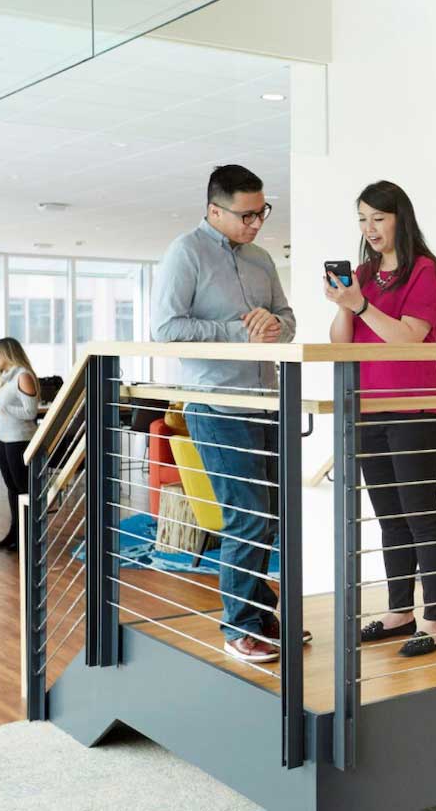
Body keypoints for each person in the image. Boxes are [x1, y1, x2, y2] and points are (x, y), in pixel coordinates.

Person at [152, 164, 298, 664]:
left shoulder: (260, 259)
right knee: (246, 517)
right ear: (214, 210)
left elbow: (289, 321)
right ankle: (239, 628)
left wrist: (274, 325)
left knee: (272, 518)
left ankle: (261, 615)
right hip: (216, 405)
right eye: (246, 215)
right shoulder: (185, 253)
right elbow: (166, 329)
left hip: (267, 404)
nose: (256, 224)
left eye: (262, 213)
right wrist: (240, 333)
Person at [323, 181, 436, 658]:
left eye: (378, 218)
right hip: (369, 410)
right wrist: (345, 305)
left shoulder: (425, 272)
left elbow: (408, 339)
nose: (369, 228)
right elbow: (342, 344)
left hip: (415, 411)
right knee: (390, 519)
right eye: (362, 219)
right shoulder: (363, 273)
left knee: (421, 516)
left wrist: (362, 305)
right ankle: (400, 612)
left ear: (400, 217)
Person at [0, 338, 40, 552]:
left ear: (6, 354)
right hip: (3, 440)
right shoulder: (6, 378)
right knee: (12, 489)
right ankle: (15, 533)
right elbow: (4, 414)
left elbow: (30, 413)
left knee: (23, 490)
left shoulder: (23, 376)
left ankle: (28, 536)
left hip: (20, 441)